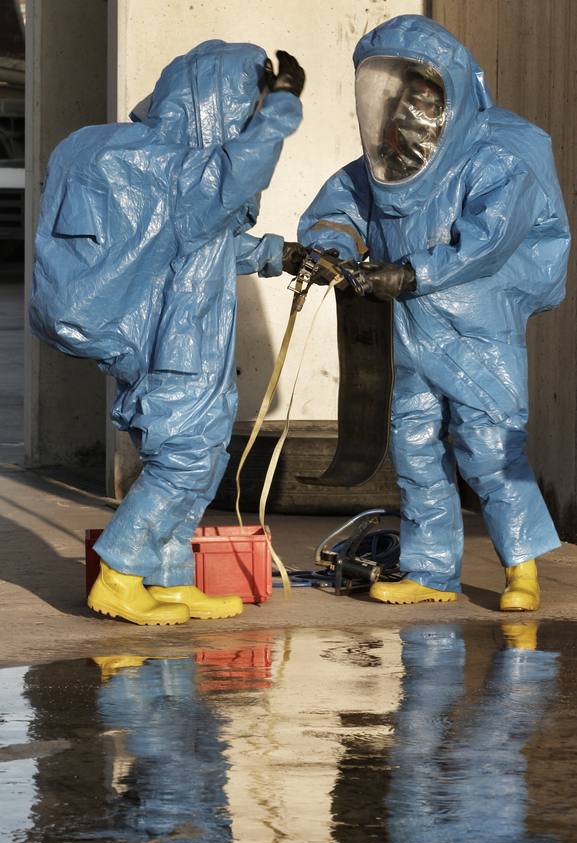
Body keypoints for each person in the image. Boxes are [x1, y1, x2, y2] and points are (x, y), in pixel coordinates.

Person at [297, 15, 570, 611]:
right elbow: (340, 207)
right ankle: (430, 573)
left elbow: (490, 238)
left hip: (478, 331)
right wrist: (330, 249)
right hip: (408, 330)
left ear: (453, 92)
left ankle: (521, 572)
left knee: (490, 449)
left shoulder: (500, 153)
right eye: (403, 94)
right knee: (415, 451)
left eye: (425, 95)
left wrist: (412, 274)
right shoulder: (389, 161)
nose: (412, 109)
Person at [30, 42, 305, 625]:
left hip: (176, 334)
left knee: (201, 460)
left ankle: (169, 576)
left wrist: (278, 255)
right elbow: (232, 176)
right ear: (217, 105)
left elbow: (201, 242)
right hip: (179, 340)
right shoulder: (172, 169)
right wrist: (281, 109)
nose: (248, 122)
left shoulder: (165, 173)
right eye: (246, 108)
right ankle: (120, 573)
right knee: (184, 460)